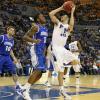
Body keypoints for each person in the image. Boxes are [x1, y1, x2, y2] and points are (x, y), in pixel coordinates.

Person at [49, 4, 77, 99]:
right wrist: (61, 8)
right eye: (61, 15)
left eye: (63, 15)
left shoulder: (68, 27)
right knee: (60, 70)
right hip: (56, 48)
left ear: (67, 18)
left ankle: (62, 67)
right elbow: (51, 14)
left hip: (62, 48)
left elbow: (72, 24)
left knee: (76, 61)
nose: (62, 16)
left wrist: (72, 11)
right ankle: (62, 89)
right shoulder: (58, 24)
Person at [20, 13, 48, 100]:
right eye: (42, 16)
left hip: (42, 51)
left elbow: (44, 41)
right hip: (36, 49)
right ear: (38, 19)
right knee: (38, 69)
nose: (44, 17)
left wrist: (44, 52)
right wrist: (34, 40)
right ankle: (25, 91)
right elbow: (25, 37)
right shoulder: (36, 27)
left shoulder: (46, 28)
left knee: (40, 74)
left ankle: (25, 87)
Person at [0, 26, 21, 92]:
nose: (13, 31)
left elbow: (10, 50)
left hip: (7, 57)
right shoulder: (2, 37)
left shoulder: (12, 40)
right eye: (11, 30)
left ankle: (17, 85)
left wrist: (14, 58)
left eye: (13, 31)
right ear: (7, 30)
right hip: (0, 56)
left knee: (14, 71)